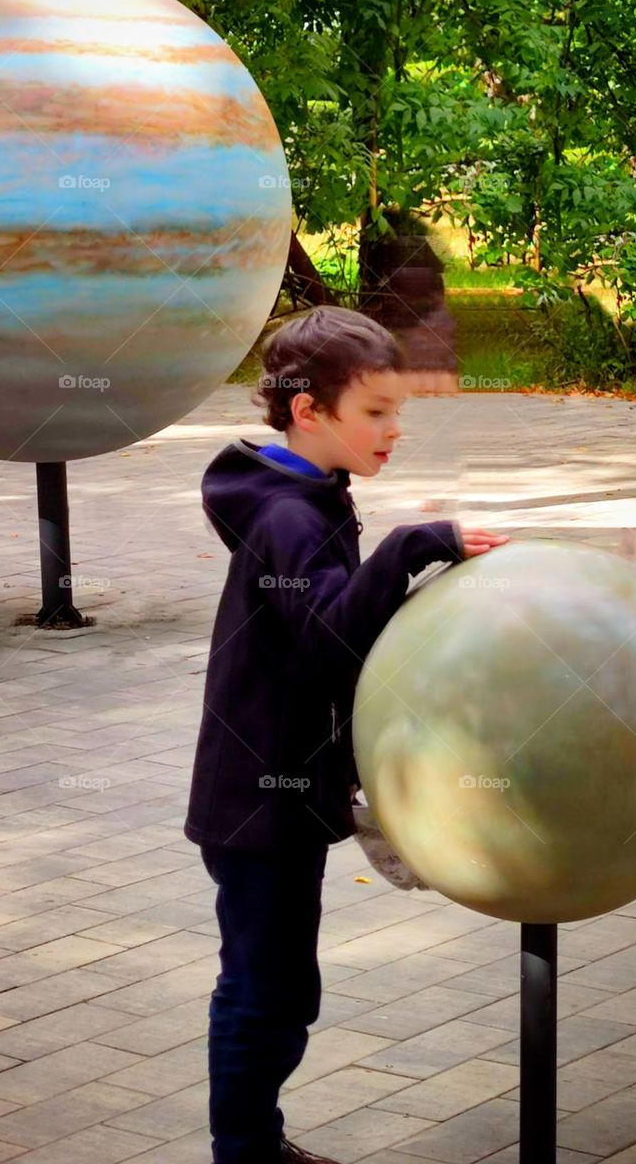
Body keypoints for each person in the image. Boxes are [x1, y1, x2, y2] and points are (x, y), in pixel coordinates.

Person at [183, 305, 510, 1164]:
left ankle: (258, 1140)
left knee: (284, 988)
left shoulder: (303, 494)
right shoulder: (289, 517)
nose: (395, 430)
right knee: (263, 993)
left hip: (280, 794)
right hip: (256, 806)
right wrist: (410, 545)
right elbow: (330, 638)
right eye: (376, 412)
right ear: (307, 411)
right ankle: (244, 1151)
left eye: (397, 411)